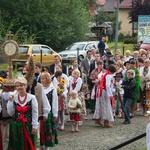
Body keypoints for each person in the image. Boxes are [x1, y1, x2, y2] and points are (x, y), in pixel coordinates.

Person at [7, 77, 39, 150]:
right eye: (17, 86)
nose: (19, 87)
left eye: (21, 85)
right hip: (15, 125)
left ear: (25, 86)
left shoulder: (32, 98)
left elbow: (35, 113)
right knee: (16, 145)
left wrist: (34, 126)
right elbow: (10, 113)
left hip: (28, 125)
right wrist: (10, 101)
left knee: (28, 144)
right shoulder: (14, 97)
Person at [40, 72, 59, 148]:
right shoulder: (40, 88)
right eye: (41, 78)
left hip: (49, 112)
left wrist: (55, 114)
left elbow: (55, 102)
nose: (42, 80)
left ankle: (47, 146)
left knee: (48, 129)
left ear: (47, 79)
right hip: (40, 112)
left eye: (43, 78)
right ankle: (41, 145)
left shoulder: (52, 89)